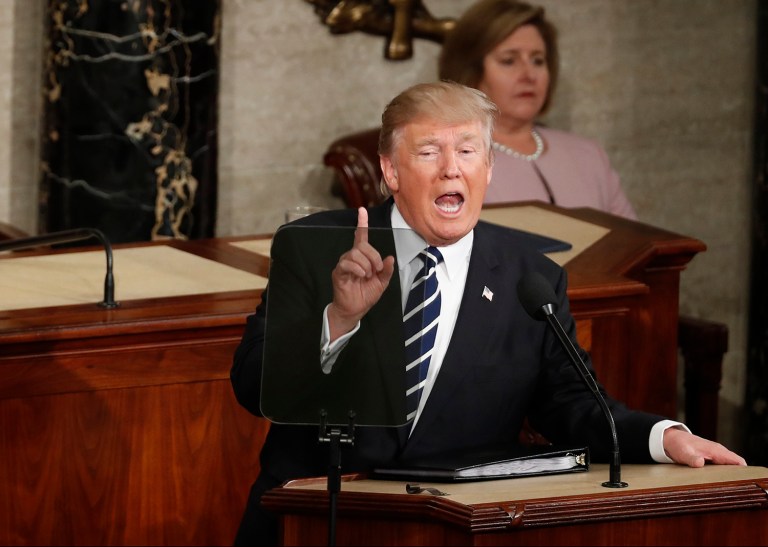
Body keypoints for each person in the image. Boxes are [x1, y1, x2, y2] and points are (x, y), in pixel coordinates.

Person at [229, 81, 745, 545]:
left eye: (468, 151)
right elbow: (252, 385)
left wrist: (663, 436)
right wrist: (338, 320)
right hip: (310, 524)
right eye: (429, 151)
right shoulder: (316, 247)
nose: (452, 168)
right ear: (390, 171)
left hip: (448, 530)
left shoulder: (530, 277)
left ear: (489, 168)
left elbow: (573, 404)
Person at [438, 0, 637, 219]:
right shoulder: (448, 163)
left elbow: (637, 246)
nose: (528, 74)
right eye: (509, 61)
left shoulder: (589, 156)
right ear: (471, 73)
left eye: (538, 60)